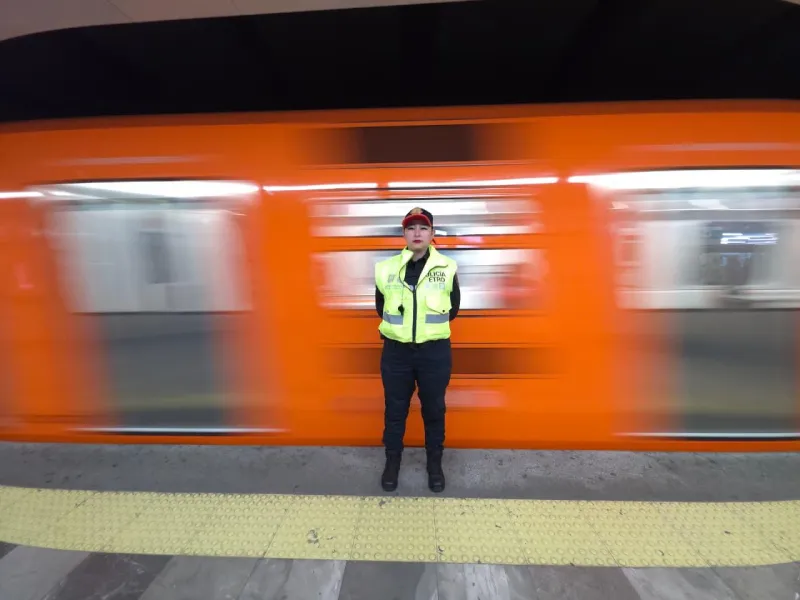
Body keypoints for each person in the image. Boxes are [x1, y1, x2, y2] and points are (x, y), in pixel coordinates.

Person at [374, 207, 460, 493]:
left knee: (434, 410)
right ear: (404, 234)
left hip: (434, 354)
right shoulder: (385, 269)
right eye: (411, 228)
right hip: (396, 354)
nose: (417, 233)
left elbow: (454, 309)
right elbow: (381, 308)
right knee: (394, 411)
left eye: (423, 228)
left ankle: (434, 466)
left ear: (432, 233)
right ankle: (392, 463)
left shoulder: (447, 268)